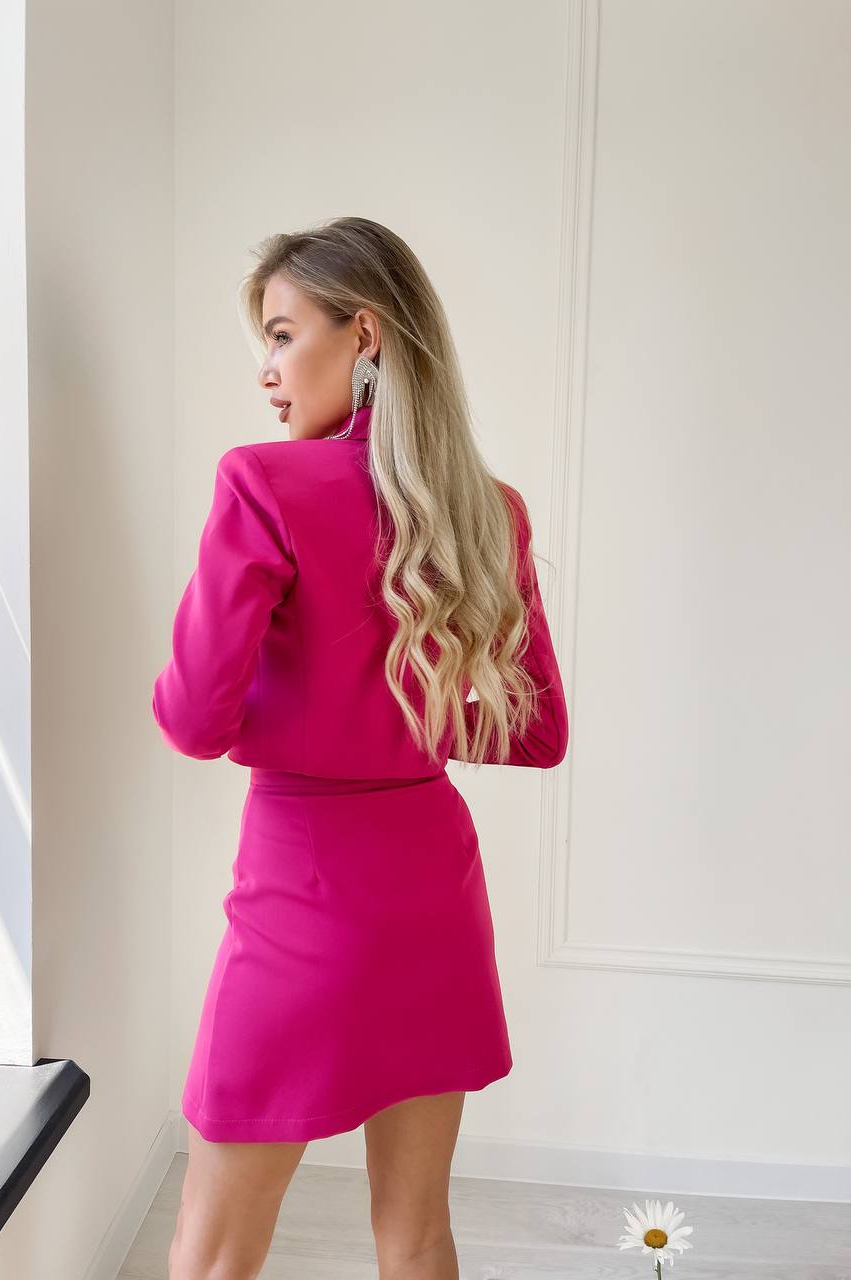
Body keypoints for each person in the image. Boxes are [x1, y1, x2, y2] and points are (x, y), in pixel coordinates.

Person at [153, 216, 569, 1280]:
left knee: (212, 1249)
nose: (268, 371)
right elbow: (537, 730)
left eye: (285, 335)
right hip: (432, 890)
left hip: (301, 887)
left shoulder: (263, 483)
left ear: (366, 334)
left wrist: (303, 725)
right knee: (418, 1234)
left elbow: (192, 718)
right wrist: (394, 712)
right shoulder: (491, 510)